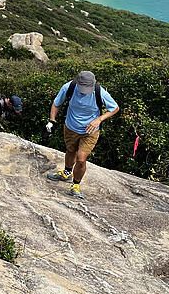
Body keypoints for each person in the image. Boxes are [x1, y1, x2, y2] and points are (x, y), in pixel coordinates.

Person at [45, 71, 119, 199]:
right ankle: (67, 173)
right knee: (70, 150)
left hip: (90, 131)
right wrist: (52, 120)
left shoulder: (99, 92)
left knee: (81, 158)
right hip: (71, 127)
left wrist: (99, 119)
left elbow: (115, 108)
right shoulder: (69, 87)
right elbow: (56, 104)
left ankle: (76, 185)